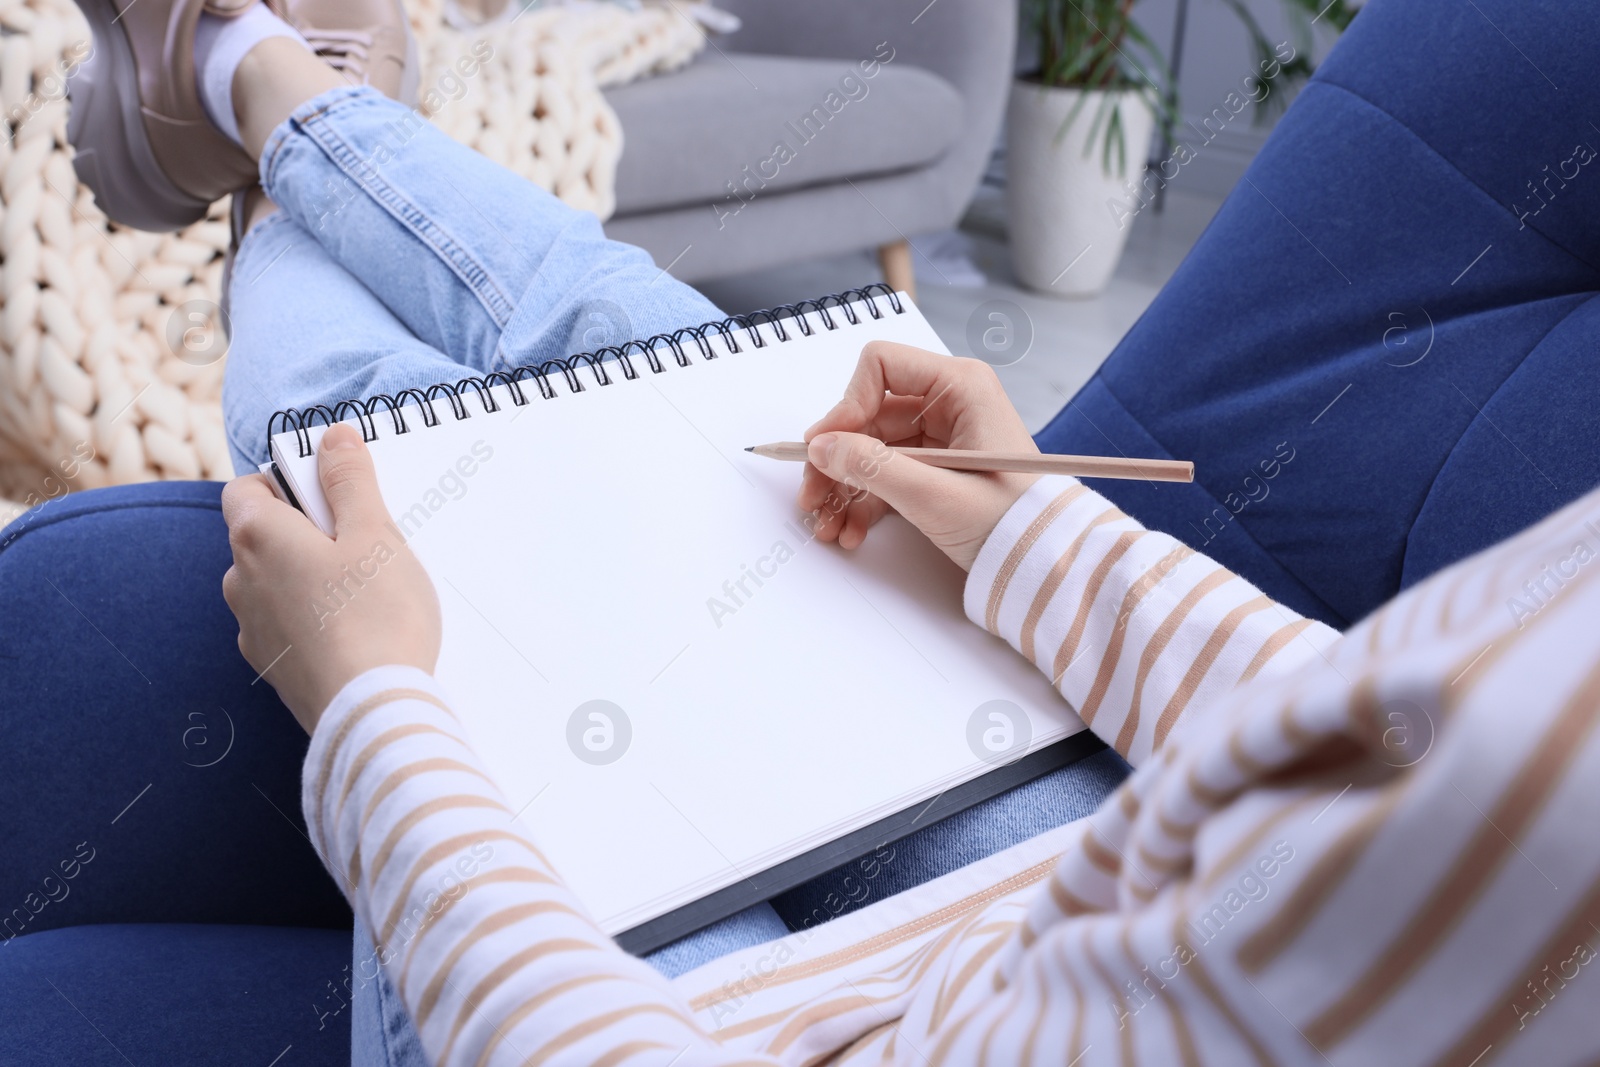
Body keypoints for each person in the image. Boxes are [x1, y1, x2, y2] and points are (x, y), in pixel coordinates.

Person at [60, 0, 1600, 1063]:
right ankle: (275, 94)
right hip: (1129, 892)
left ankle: (253, 102)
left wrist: (377, 716)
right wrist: (1028, 532)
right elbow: (1402, 753)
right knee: (665, 373)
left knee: (384, 434)